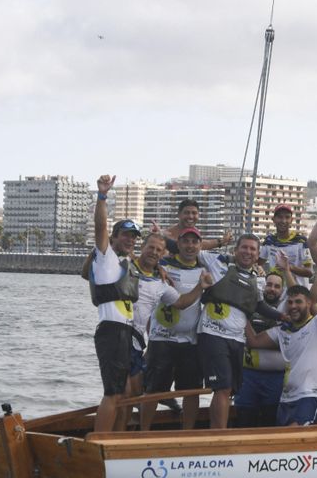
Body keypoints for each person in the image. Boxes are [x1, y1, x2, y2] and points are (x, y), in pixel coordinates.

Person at [89, 174, 209, 432]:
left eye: (159, 249)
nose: (154, 252)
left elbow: (182, 303)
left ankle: (121, 440)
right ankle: (99, 442)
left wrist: (201, 286)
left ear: (164, 254)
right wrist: (102, 197)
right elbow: (100, 229)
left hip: (135, 339)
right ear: (140, 249)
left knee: (131, 396)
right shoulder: (116, 262)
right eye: (150, 247)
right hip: (114, 332)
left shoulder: (159, 280)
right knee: (115, 394)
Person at [195, 234, 284, 429]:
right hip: (212, 334)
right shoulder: (219, 263)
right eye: (244, 247)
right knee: (223, 387)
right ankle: (219, 437)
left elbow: (260, 306)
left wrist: (282, 317)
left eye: (253, 249)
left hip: (236, 339)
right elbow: (191, 248)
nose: (248, 252)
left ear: (258, 254)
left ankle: (215, 431)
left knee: (227, 390)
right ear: (235, 250)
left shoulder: (257, 279)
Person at [244, 264, 317, 426]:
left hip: (311, 394)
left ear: (309, 303)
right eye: (290, 302)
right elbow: (253, 341)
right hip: (287, 397)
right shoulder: (282, 330)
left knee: (295, 432)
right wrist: (242, 312)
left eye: (298, 302)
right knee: (281, 440)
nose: (293, 306)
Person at [140, 227, 212, 431]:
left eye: (194, 242)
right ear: (177, 244)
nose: (190, 246)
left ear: (200, 245)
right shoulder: (162, 265)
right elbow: (140, 262)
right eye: (186, 241)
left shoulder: (204, 269)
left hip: (190, 341)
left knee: (191, 391)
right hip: (161, 339)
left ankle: (186, 433)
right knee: (153, 390)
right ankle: (143, 432)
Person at [233, 271, 288, 428]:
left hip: (275, 378)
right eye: (269, 285)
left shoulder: (288, 310)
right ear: (263, 286)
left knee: (271, 419)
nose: (272, 289)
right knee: (244, 417)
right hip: (247, 375)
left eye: (277, 286)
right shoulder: (250, 306)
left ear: (282, 290)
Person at [259, 204, 313, 286]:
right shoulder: (269, 241)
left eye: (287, 217)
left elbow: (309, 272)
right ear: (273, 219)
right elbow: (258, 262)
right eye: (280, 217)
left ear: (291, 220)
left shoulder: (301, 241)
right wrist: (259, 269)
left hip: (297, 295)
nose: (283, 221)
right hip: (276, 294)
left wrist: (288, 267)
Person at [162, 199, 232, 255]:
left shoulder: (196, 231)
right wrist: (221, 242)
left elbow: (202, 245)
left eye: (194, 213)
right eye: (187, 213)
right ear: (179, 215)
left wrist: (222, 241)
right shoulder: (168, 234)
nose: (191, 216)